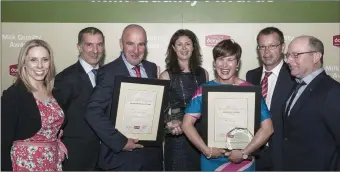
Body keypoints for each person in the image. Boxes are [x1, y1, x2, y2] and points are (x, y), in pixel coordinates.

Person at [182, 39, 274, 171]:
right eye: (220, 59)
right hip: (211, 161)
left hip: (243, 162)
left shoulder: (250, 90)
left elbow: (268, 128)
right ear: (214, 64)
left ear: (237, 64)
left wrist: (244, 153)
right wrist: (206, 150)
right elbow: (186, 124)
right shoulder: (204, 90)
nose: (225, 65)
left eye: (230, 59)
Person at [84, 24, 163, 171]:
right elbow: (93, 111)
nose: (136, 50)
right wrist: (120, 142)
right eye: (130, 44)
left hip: (151, 159)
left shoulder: (152, 68)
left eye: (141, 44)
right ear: (121, 44)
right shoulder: (108, 72)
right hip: (122, 160)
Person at [1, 39, 67, 171]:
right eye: (33, 60)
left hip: (51, 161)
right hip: (24, 164)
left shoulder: (54, 93)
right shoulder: (13, 95)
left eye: (45, 60)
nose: (40, 65)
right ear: (24, 63)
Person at [282, 35, 340, 170]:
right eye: (288, 55)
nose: (289, 60)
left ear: (316, 57)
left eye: (295, 55)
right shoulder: (295, 86)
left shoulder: (333, 91)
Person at [53, 27, 104, 170]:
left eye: (99, 45)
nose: (95, 50)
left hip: (106, 159)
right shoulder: (65, 79)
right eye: (89, 45)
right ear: (79, 47)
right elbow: (56, 121)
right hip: (76, 158)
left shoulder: (108, 75)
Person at [245, 27, 295, 170]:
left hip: (283, 155)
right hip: (254, 153)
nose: (267, 52)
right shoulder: (251, 76)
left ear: (283, 47)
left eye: (272, 46)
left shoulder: (294, 76)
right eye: (262, 47)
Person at [159, 29, 209, 171]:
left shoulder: (203, 74)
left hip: (199, 138)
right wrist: (169, 124)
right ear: (173, 48)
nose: (184, 48)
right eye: (179, 44)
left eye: (188, 44)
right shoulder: (165, 76)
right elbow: (161, 113)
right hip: (177, 139)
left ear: (194, 47)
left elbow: (207, 107)